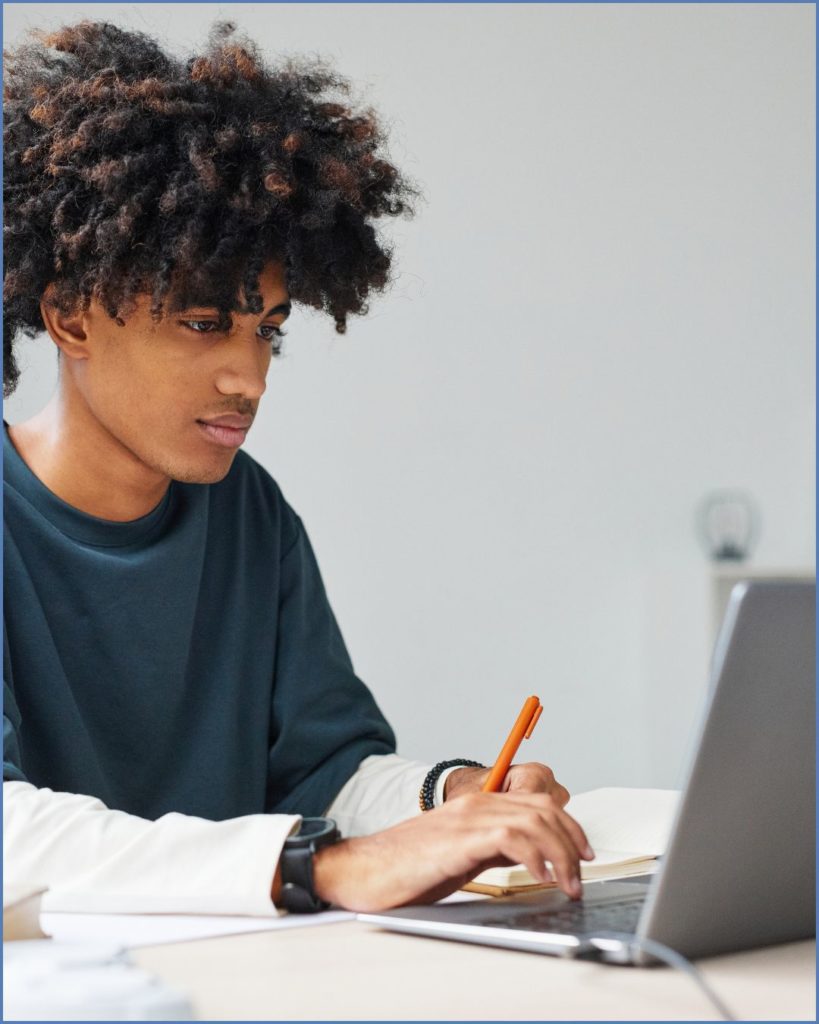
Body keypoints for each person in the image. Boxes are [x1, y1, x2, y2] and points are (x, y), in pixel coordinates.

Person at [2, 18, 593, 917]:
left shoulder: (248, 512)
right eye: (205, 324)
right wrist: (316, 866)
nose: (249, 377)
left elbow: (322, 769)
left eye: (267, 331)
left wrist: (455, 798)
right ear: (74, 317)